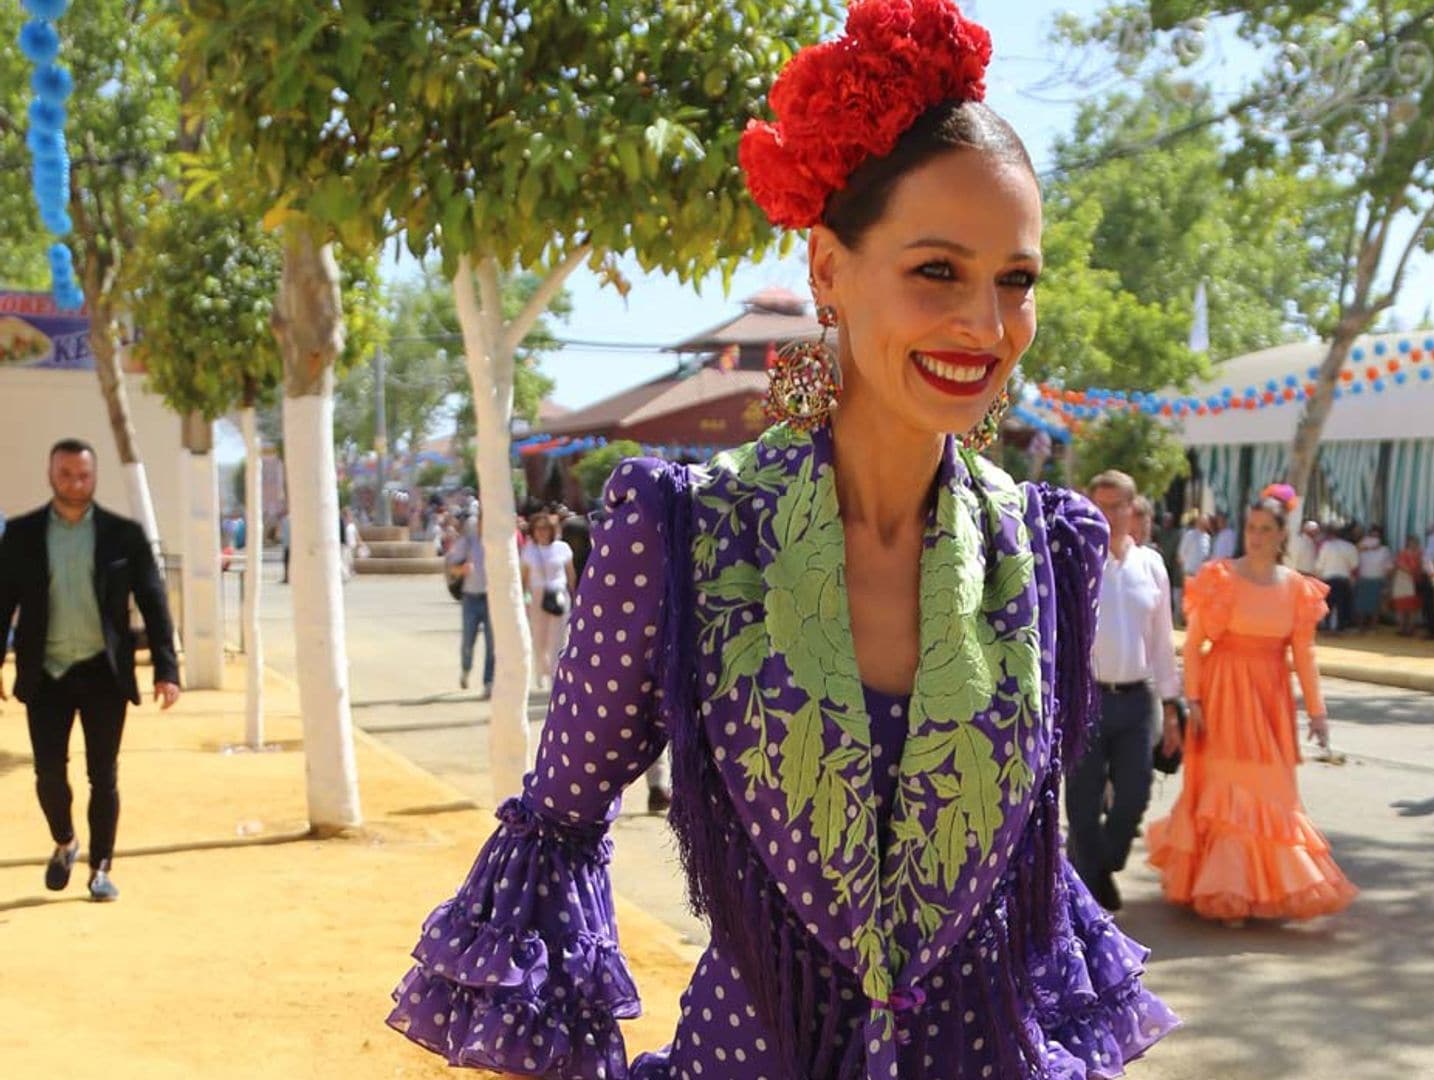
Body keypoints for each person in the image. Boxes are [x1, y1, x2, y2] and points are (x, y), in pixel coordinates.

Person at [388, 5, 1177, 1076]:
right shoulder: (684, 537)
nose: (987, 327)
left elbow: (1030, 890)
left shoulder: (1048, 551)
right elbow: (558, 833)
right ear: (828, 267)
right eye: (938, 270)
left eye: (1016, 280)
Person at [1146, 488, 1356, 927]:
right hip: (1223, 697)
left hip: (1270, 700)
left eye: (1266, 529)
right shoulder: (1219, 576)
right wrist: (1196, 699)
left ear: (1283, 535)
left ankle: (1261, 887)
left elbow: (1305, 655)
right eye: (1251, 528)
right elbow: (1197, 647)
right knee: (1227, 790)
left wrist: (1317, 711)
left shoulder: (1297, 588)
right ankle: (1227, 891)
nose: (1256, 537)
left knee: (1271, 792)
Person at [0, 438, 182, 902]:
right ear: (50, 474)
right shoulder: (21, 534)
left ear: (94, 477)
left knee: (104, 775)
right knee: (48, 774)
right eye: (66, 475)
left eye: (83, 476)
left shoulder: (124, 534)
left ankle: (100, 868)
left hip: (104, 673)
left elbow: (153, 602)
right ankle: (65, 841)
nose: (75, 484)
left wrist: (167, 668)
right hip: (47, 674)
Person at [1069, 471, 1181, 914]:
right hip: (1087, 699)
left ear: (1134, 510)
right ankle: (1091, 885)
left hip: (1137, 700)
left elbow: (1161, 641)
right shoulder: (1077, 560)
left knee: (1134, 794)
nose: (1110, 515)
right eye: (1101, 506)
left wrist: (1172, 707)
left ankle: (1098, 868)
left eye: (1119, 506)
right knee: (1081, 802)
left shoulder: (1151, 565)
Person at [445, 513, 511, 698]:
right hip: (471, 598)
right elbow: (451, 567)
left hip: (492, 598)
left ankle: (488, 682)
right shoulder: (468, 542)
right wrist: (462, 569)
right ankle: (466, 668)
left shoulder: (500, 543)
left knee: (492, 643)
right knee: (468, 640)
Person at [519, 512, 576, 693]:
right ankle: (541, 670)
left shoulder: (563, 548)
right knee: (539, 639)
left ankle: (554, 674)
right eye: (538, 528)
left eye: (545, 528)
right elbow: (524, 579)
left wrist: (573, 595)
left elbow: (570, 574)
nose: (542, 532)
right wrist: (525, 599)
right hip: (537, 596)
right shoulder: (529, 550)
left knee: (558, 639)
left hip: (559, 594)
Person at [1314, 522, 1360, 633]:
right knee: (1342, 605)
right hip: (1343, 579)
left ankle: (1327, 627)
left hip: (1328, 578)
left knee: (1328, 604)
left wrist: (1317, 577)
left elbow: (1319, 565)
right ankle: (1340, 628)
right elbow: (1354, 566)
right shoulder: (1350, 547)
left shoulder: (1326, 546)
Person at [1175, 507, 1212, 617]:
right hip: (1190, 570)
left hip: (1201, 573)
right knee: (1188, 597)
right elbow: (1182, 552)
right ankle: (1184, 618)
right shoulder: (1190, 534)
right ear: (1198, 522)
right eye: (1203, 521)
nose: (1205, 524)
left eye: (1206, 522)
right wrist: (1183, 566)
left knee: (1198, 598)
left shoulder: (1207, 537)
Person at [1356, 525, 1392, 631]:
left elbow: (1388, 567)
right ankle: (1361, 626)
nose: (1374, 538)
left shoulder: (1385, 550)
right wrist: (1367, 547)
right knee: (1361, 604)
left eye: (1377, 536)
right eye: (1372, 535)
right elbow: (1354, 550)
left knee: (1375, 605)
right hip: (1363, 578)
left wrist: (1387, 583)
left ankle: (1373, 626)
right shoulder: (1362, 546)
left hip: (1377, 579)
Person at [1390, 533, 1425, 636]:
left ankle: (1410, 628)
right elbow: (1399, 565)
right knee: (1401, 606)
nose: (1413, 544)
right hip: (1402, 581)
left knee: (1412, 607)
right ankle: (1401, 627)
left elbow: (1421, 567)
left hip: (1414, 582)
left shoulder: (1420, 554)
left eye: (1415, 542)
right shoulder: (1402, 553)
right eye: (1412, 542)